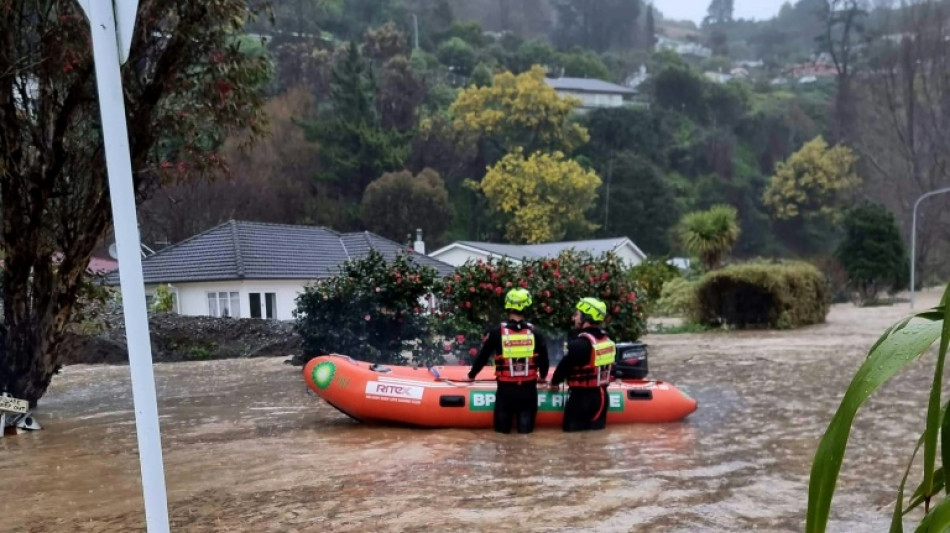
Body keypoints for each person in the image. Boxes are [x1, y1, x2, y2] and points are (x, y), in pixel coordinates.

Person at [467, 288, 550, 434]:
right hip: (528, 390)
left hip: (505, 391)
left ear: (508, 305)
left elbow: (483, 357)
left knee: (501, 437)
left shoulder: (496, 332)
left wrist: (471, 376)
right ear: (526, 306)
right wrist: (543, 377)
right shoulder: (535, 332)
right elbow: (544, 360)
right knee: (526, 436)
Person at [550, 297, 616, 432]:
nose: (574, 318)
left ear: (586, 317)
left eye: (577, 315)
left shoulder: (579, 344)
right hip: (602, 399)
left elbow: (563, 368)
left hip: (581, 399)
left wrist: (554, 383)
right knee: (595, 442)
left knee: (572, 442)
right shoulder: (607, 342)